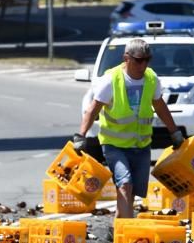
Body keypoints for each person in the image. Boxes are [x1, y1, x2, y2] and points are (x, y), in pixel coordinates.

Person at [72, 38, 184, 219]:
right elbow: (93, 109)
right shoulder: (111, 80)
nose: (144, 64)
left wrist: (174, 132)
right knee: (124, 184)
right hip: (114, 145)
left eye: (148, 60)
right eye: (139, 60)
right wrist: (81, 135)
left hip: (141, 146)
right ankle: (129, 232)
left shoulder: (151, 78)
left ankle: (118, 230)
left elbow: (160, 106)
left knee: (130, 194)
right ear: (126, 58)